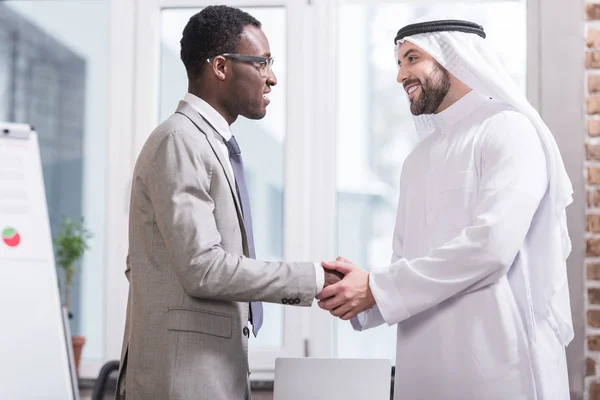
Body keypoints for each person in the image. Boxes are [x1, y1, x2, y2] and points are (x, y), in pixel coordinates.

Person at [317, 18, 574, 400]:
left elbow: (491, 249)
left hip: (498, 360)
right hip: (422, 359)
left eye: (412, 58)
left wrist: (377, 288)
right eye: (398, 63)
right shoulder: (417, 160)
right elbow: (407, 259)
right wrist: (360, 293)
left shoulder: (507, 129)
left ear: (453, 58)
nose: (401, 74)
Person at [115, 6, 341, 400]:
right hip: (181, 384)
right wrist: (315, 279)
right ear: (221, 67)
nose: (272, 77)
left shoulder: (208, 143)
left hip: (209, 377)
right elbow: (203, 268)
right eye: (262, 63)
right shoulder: (180, 140)